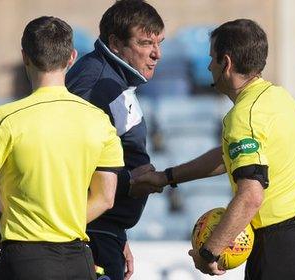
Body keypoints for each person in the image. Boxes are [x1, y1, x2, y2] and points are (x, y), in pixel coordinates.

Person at [132, 19, 295, 279]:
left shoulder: (243, 116)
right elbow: (229, 157)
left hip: (285, 250)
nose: (208, 66)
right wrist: (167, 177)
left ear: (226, 63)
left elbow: (251, 196)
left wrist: (209, 253)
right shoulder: (280, 97)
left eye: (212, 58)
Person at [0, 16, 124, 280]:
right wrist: (61, 223)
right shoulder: (99, 120)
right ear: (71, 57)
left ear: (25, 57)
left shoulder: (5, 117)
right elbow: (105, 198)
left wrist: (0, 224)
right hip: (77, 260)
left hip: (23, 260)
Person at [64, 1, 164, 279]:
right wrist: (129, 184)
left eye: (160, 43)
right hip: (87, 236)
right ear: (116, 43)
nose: (157, 54)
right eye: (145, 43)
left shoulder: (112, 77)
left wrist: (115, 230)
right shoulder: (96, 83)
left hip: (102, 231)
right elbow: (70, 163)